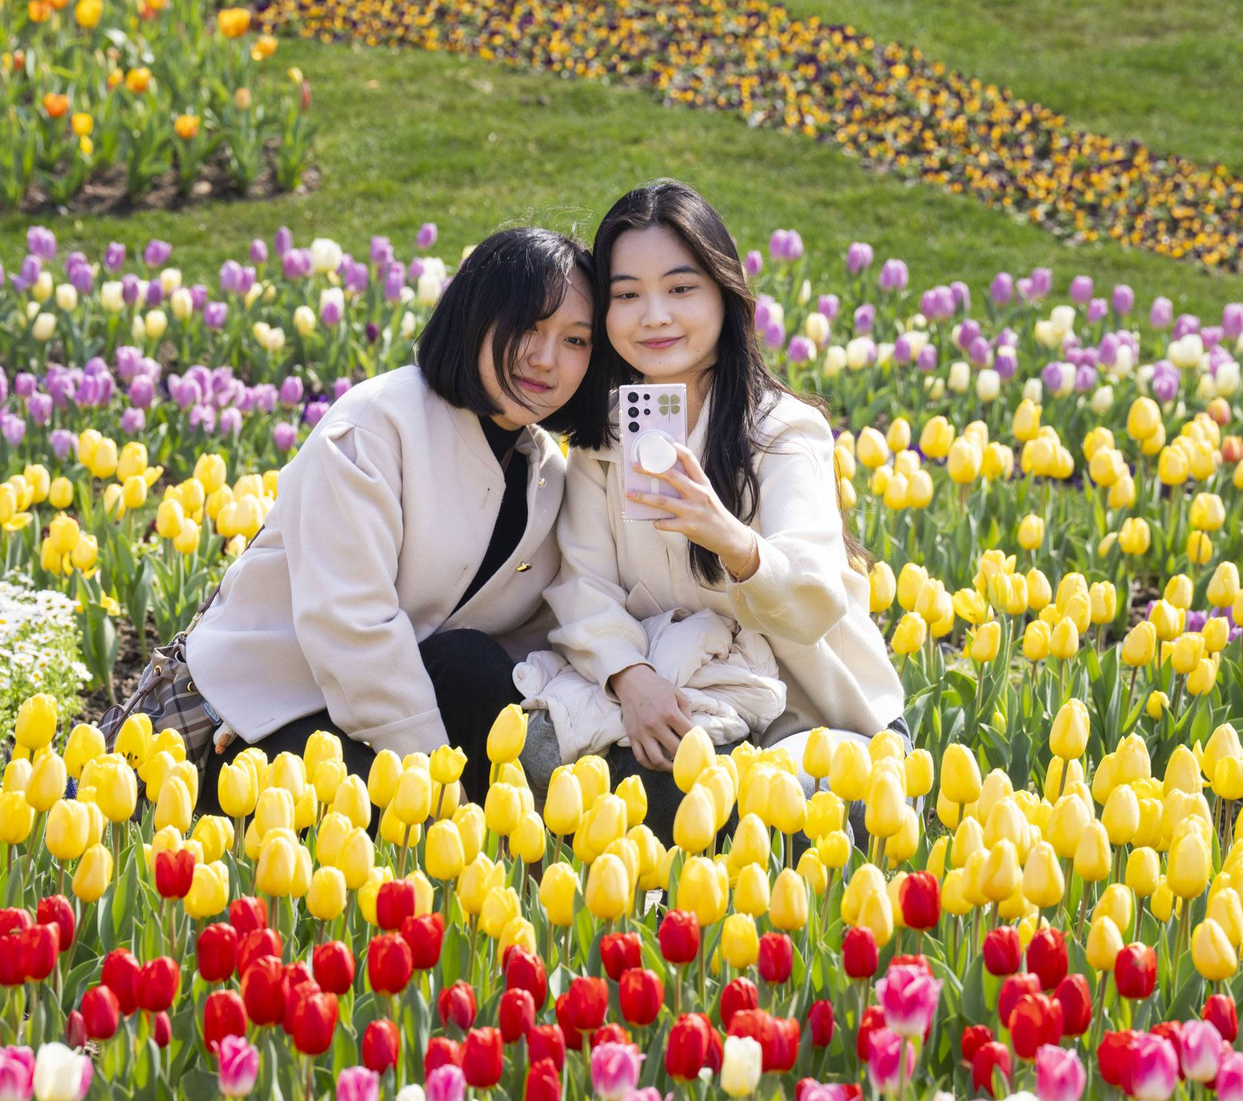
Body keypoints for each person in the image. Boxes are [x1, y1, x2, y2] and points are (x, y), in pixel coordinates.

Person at [106, 226, 597, 803]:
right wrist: (437, 789)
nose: (545, 359)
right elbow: (350, 627)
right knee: (364, 818)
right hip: (258, 719)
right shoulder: (377, 425)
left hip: (382, 723)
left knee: (475, 665)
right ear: (475, 314)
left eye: (575, 341)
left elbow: (537, 641)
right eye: (529, 327)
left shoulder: (545, 475)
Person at [527, 179, 906, 837]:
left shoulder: (782, 433)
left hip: (807, 719)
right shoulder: (608, 440)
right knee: (546, 758)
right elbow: (581, 583)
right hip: (667, 706)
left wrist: (731, 537)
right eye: (626, 295)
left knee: (742, 805)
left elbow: (815, 595)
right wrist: (631, 676)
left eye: (680, 288)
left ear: (723, 295)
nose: (653, 316)